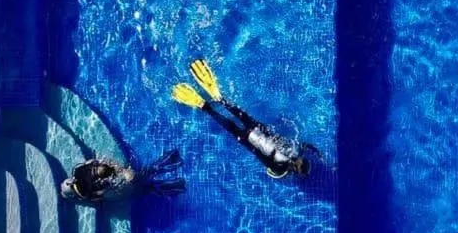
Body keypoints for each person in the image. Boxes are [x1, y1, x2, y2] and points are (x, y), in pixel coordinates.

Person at [172, 59, 321, 179]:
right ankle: (218, 98)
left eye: (296, 169)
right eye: (298, 165)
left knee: (230, 125)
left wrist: (282, 169)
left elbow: (265, 161)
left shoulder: (281, 168)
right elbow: (306, 146)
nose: (295, 166)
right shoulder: (295, 152)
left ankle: (205, 106)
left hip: (251, 140)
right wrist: (318, 154)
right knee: (239, 115)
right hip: (260, 129)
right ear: (301, 160)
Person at [60, 149, 185, 203]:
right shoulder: (77, 171)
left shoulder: (86, 194)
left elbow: (103, 196)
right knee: (146, 173)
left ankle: (177, 184)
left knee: (146, 187)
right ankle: (172, 158)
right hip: (109, 166)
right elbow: (92, 162)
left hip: (118, 178)